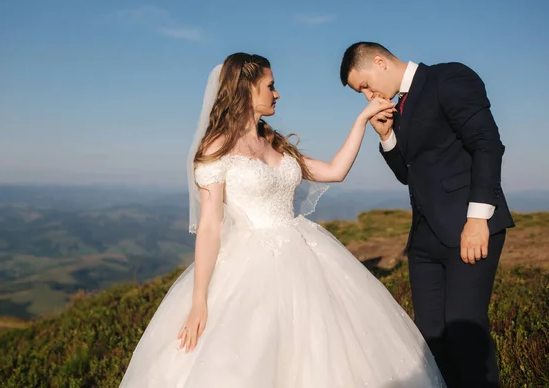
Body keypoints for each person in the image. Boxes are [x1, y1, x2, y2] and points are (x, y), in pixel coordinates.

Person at [119, 52, 445, 387]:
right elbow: (209, 226)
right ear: (246, 89)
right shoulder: (216, 149)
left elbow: (335, 171)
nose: (277, 94)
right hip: (250, 265)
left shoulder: (275, 143)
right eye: (270, 86)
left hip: (305, 252)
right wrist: (199, 301)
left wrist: (362, 120)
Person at [339, 42, 515, 388]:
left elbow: (487, 144)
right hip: (423, 241)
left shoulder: (448, 78)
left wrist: (477, 219)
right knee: (430, 340)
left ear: (379, 61)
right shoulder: (396, 107)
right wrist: (387, 136)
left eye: (364, 85)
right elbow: (410, 172)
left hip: (469, 228)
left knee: (466, 333)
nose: (367, 95)